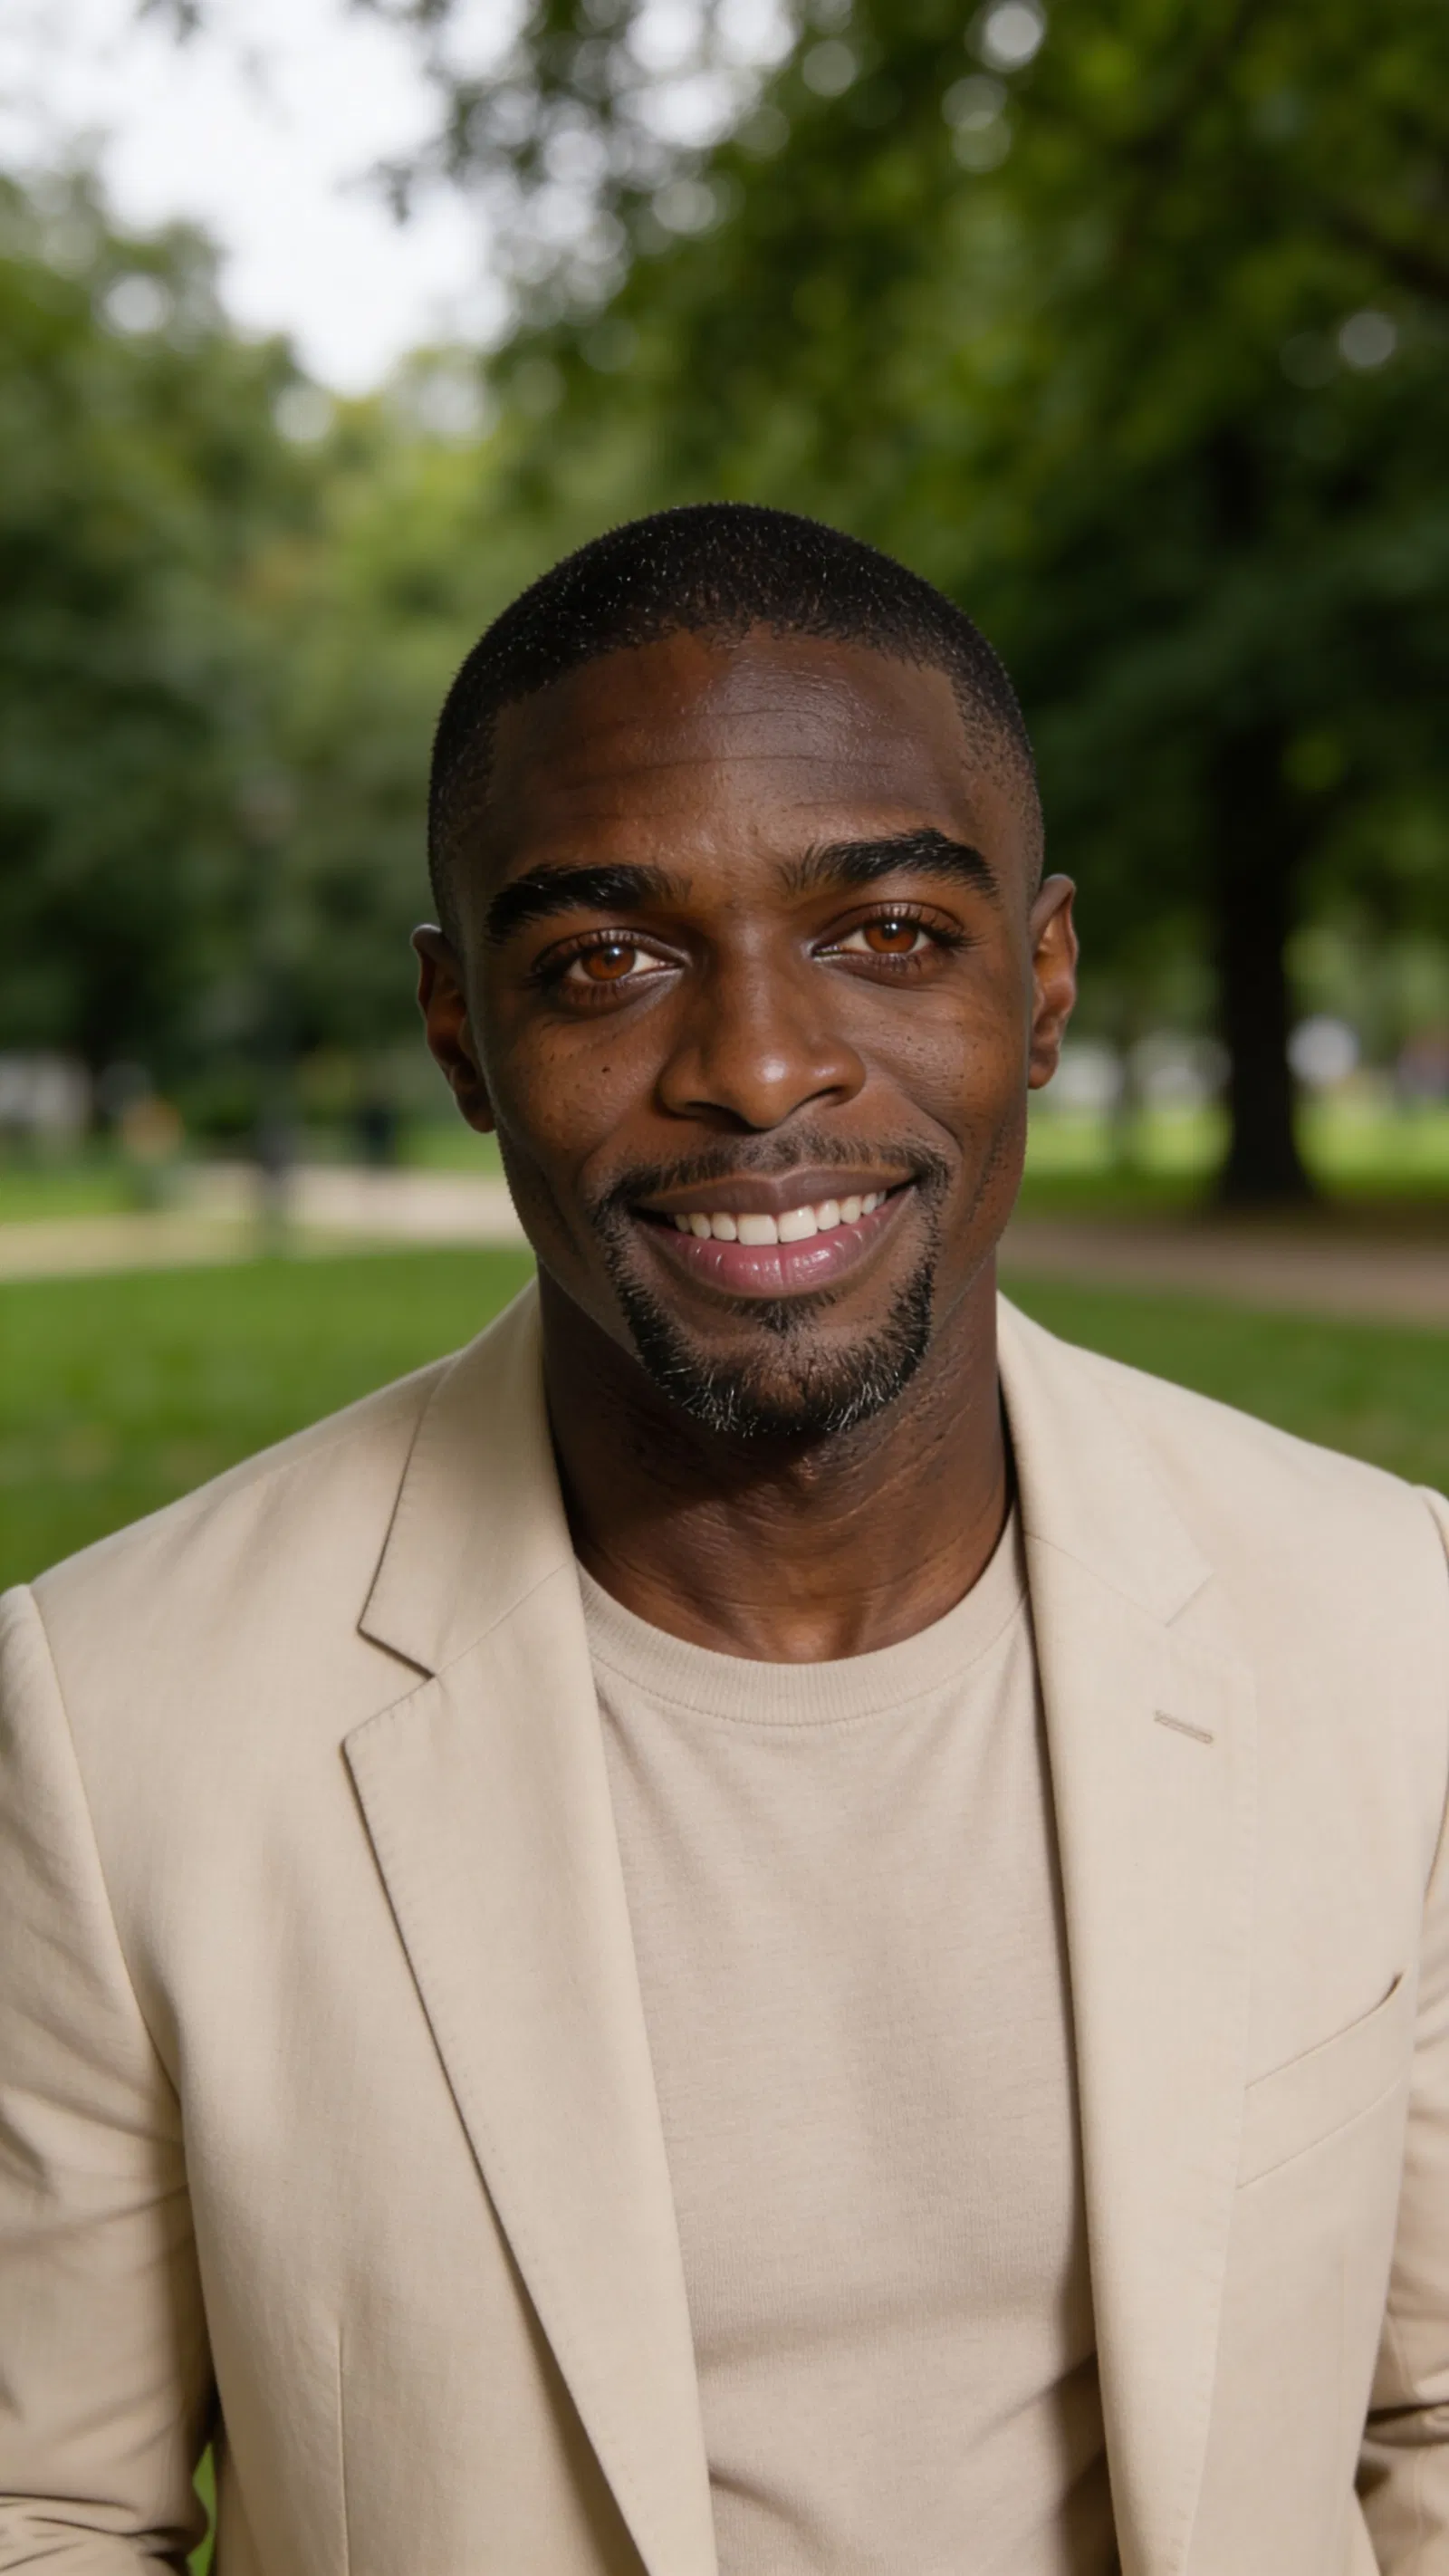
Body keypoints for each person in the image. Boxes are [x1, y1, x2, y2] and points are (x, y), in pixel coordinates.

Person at [1, 505, 1445, 2576]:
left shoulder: (1385, 1620)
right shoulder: (116, 1717)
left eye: (887, 933)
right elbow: (46, 2512)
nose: (760, 1070)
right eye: (606, 961)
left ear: (1040, 984)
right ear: (458, 1034)